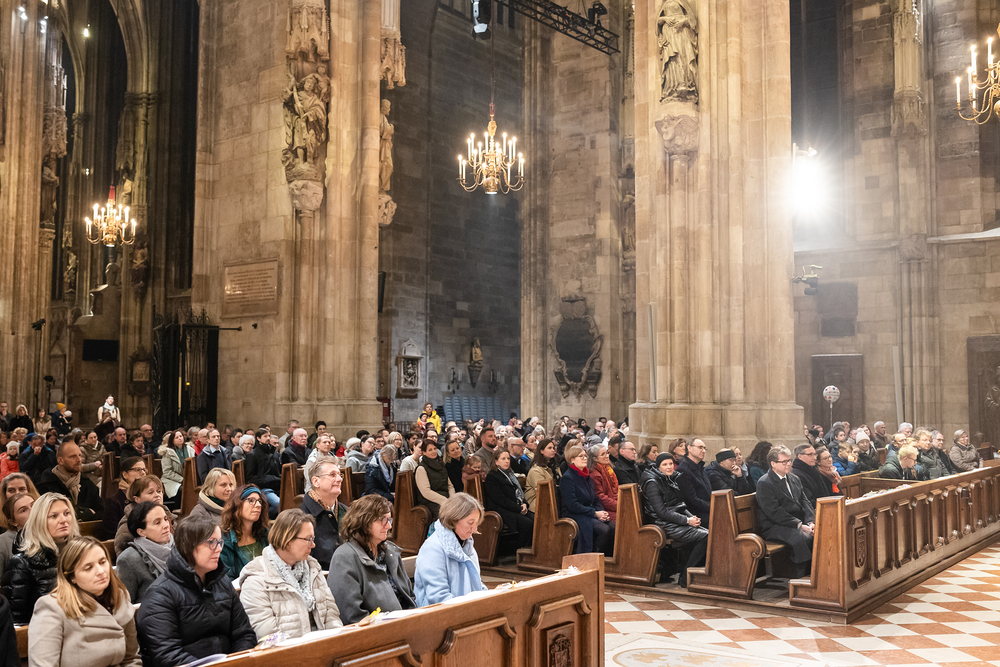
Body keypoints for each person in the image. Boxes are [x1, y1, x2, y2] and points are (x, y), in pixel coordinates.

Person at [135, 515, 256, 667]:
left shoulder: (223, 583)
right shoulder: (160, 595)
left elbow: (244, 634)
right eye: (211, 542)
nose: (219, 549)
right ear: (189, 546)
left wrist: (237, 663)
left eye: (220, 542)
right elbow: (167, 655)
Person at [28, 536, 140, 667]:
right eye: (88, 568)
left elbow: (131, 659)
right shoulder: (52, 607)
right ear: (72, 577)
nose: (100, 571)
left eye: (103, 562)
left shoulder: (120, 597)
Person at [239, 508, 342, 640]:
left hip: (323, 645)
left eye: (313, 539)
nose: (313, 545)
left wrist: (336, 643)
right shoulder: (256, 580)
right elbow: (268, 637)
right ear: (287, 541)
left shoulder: (313, 567)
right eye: (308, 539)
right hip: (289, 650)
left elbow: (331, 616)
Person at [328, 495, 415, 624]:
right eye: (383, 520)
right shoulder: (344, 557)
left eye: (389, 520)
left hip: (405, 624)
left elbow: (410, 597)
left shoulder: (391, 553)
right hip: (375, 630)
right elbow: (351, 615)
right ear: (364, 522)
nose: (389, 526)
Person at [1, 493, 81, 623]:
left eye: (67, 513)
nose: (63, 520)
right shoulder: (21, 563)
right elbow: (14, 621)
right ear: (39, 521)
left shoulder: (82, 553)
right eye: (54, 516)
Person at [640, 453, 708, 586]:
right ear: (658, 467)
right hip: (662, 523)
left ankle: (688, 575)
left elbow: (680, 504)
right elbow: (661, 512)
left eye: (671, 463)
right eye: (665, 464)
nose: (669, 467)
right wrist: (687, 520)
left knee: (707, 533)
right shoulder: (652, 482)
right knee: (706, 537)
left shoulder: (669, 478)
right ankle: (686, 578)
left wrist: (691, 517)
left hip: (673, 520)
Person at [414, 493, 487, 606]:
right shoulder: (432, 549)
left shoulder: (467, 545)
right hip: (438, 613)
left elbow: (476, 584)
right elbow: (438, 596)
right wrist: (469, 611)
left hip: (464, 609)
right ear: (454, 519)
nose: (475, 528)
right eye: (470, 522)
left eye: (476, 523)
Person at [754, 446, 815, 577]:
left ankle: (818, 571)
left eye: (789, 460)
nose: (788, 464)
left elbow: (805, 502)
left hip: (797, 522)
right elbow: (774, 512)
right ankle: (802, 575)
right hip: (775, 526)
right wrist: (799, 525)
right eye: (784, 462)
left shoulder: (794, 478)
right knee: (802, 537)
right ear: (773, 463)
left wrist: (811, 521)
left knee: (821, 532)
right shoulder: (765, 482)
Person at [559, 444, 615, 556]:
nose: (585, 458)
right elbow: (572, 505)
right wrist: (595, 513)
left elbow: (595, 498)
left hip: (588, 512)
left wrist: (601, 512)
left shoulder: (586, 475)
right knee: (604, 530)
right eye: (581, 456)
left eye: (585, 456)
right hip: (575, 514)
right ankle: (592, 557)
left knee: (613, 526)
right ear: (572, 460)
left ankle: (607, 558)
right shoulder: (568, 478)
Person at [117, 501, 173, 603]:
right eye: (157, 522)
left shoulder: (179, 547)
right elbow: (125, 604)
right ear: (141, 532)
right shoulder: (128, 560)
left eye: (165, 519)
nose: (166, 525)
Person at [37, 439, 104, 522]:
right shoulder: (47, 485)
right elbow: (49, 514)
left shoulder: (88, 484)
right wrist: (86, 512)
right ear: (60, 460)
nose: (79, 460)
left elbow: (101, 513)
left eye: (80, 455)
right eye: (73, 456)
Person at [300, 459, 347, 569]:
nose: (339, 479)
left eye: (340, 475)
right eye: (332, 475)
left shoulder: (347, 512)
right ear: (316, 481)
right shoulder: (301, 516)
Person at [483, 450, 534, 550]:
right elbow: (500, 499)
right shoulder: (492, 476)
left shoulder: (510, 474)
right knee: (527, 524)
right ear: (496, 461)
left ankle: (531, 550)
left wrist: (524, 503)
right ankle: (520, 550)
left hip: (514, 507)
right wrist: (518, 508)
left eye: (508, 458)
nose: (507, 461)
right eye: (503, 459)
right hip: (502, 509)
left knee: (535, 519)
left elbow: (519, 492)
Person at [220, 485, 270, 579]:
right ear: (237, 505)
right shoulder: (224, 541)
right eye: (251, 500)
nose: (258, 505)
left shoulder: (265, 533)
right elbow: (226, 579)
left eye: (259, 501)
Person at [100, 457, 147, 540]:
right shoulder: (114, 501)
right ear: (125, 475)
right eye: (137, 470)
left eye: (144, 470)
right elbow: (111, 535)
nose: (143, 473)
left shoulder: (147, 497)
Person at [245, 428, 282, 519]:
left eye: (269, 436)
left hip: (277, 486)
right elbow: (250, 477)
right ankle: (262, 520)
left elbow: (279, 472)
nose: (268, 438)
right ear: (258, 438)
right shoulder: (252, 455)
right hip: (263, 488)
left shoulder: (274, 453)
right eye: (265, 436)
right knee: (277, 504)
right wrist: (269, 479)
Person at [414, 440, 454, 522]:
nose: (433, 451)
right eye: (430, 450)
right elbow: (426, 491)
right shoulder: (421, 468)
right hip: (430, 501)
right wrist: (444, 501)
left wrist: (452, 499)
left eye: (435, 449)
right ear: (424, 452)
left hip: (445, 498)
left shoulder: (441, 464)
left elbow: (450, 485)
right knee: (447, 513)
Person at [675, 439, 712, 524]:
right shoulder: (683, 470)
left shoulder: (701, 468)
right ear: (689, 448)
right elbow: (691, 500)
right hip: (695, 516)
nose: (703, 451)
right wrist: (712, 507)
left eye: (704, 448)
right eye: (700, 447)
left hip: (707, 511)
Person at [0, 493, 35, 575]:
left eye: (33, 505)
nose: (32, 510)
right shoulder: (3, 542)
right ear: (13, 522)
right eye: (23, 510)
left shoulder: (53, 532)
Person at [158, 429, 193, 508]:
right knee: (181, 489)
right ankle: (179, 510)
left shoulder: (190, 449)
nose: (180, 438)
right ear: (172, 440)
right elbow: (167, 472)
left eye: (181, 436)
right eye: (177, 437)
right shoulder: (167, 452)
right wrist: (182, 479)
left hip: (188, 479)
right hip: (171, 480)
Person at [525, 438, 561, 513]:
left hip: (550, 501)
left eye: (553, 448)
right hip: (537, 506)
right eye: (549, 448)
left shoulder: (551, 467)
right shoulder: (536, 470)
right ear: (541, 451)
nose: (553, 450)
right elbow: (543, 492)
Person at [789, 443, 828, 507]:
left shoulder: (813, 470)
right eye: (810, 454)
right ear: (800, 456)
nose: (815, 458)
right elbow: (807, 501)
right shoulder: (796, 475)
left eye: (815, 454)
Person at [588, 444, 619, 522]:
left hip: (611, 503)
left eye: (607, 453)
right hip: (602, 508)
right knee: (623, 515)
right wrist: (619, 505)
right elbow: (601, 498)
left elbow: (615, 491)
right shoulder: (594, 475)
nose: (607, 456)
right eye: (603, 454)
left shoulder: (608, 469)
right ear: (595, 459)